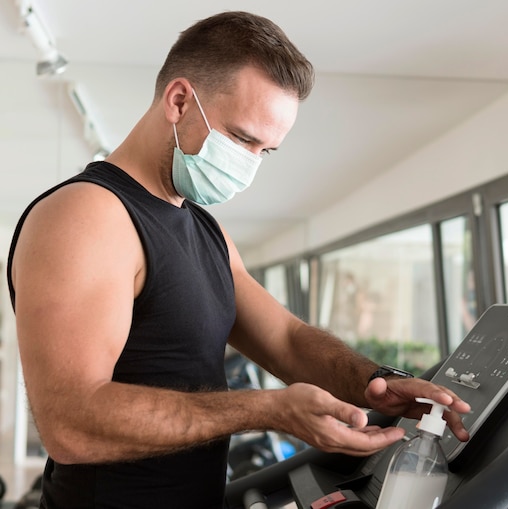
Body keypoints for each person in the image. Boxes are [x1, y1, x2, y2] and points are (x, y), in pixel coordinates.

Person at [7, 11, 470, 509]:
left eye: (265, 151)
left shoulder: (206, 230)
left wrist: (376, 384)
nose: (250, 163)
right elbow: (69, 425)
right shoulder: (87, 215)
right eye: (243, 139)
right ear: (179, 100)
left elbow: (287, 341)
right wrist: (267, 410)